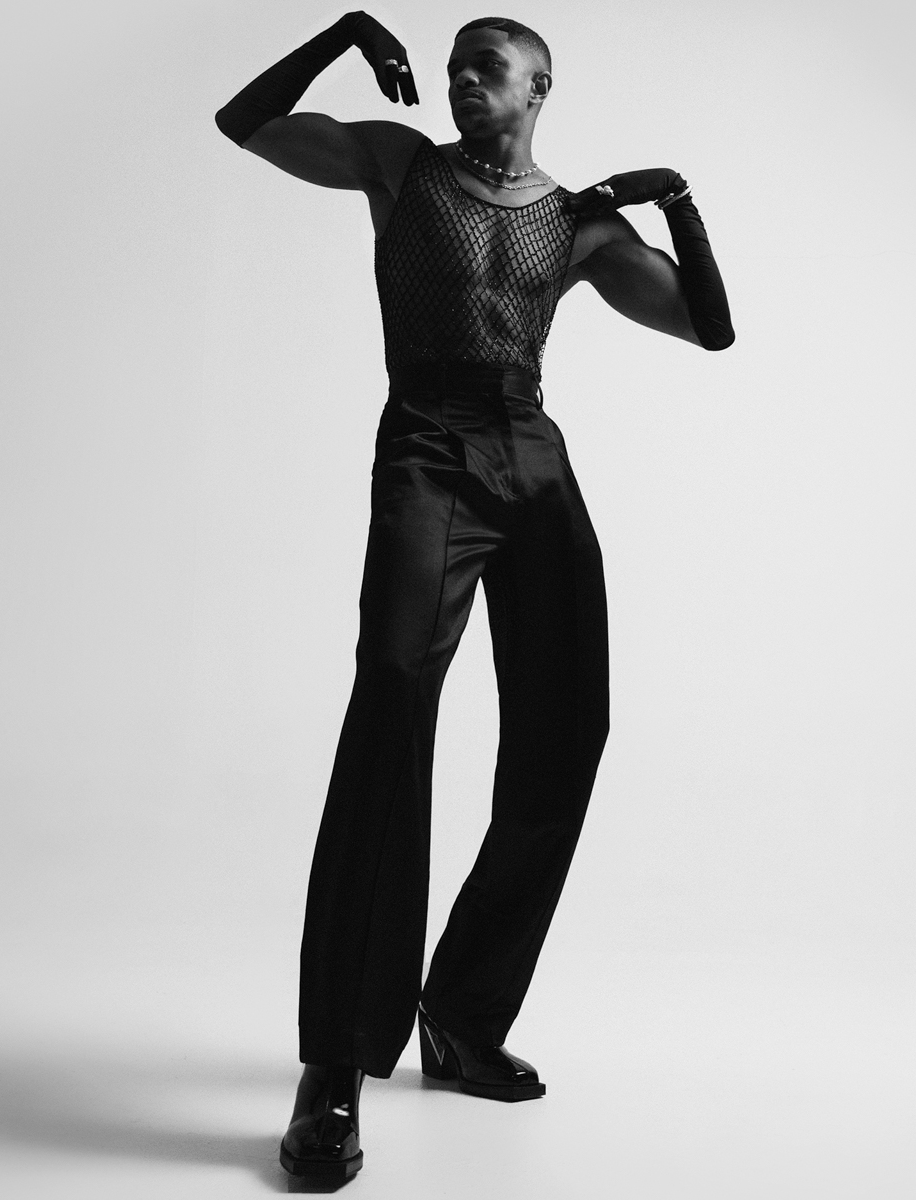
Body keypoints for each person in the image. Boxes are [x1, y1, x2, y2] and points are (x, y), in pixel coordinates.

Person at [215, 11, 734, 1180]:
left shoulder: (579, 223)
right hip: (428, 451)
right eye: (450, 67)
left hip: (530, 456)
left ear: (539, 86)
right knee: (392, 700)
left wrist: (675, 202)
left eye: (483, 69)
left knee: (567, 732)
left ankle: (460, 1019)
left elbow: (711, 329)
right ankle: (336, 1067)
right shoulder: (397, 164)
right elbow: (244, 125)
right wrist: (348, 35)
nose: (458, 83)